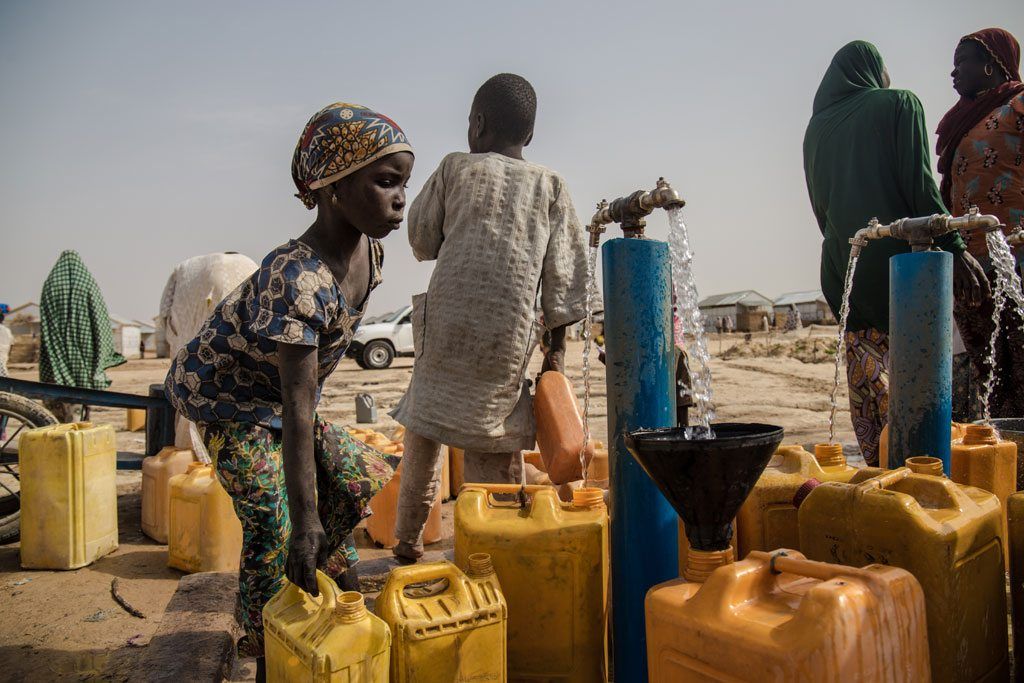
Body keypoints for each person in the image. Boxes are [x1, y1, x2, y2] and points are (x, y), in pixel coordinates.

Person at [164, 103, 413, 679]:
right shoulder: (295, 275)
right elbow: (299, 408)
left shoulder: (371, 255)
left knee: (342, 490)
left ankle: (349, 625)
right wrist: (304, 523)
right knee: (277, 526)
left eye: (404, 183)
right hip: (228, 399)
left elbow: (305, 394)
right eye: (385, 182)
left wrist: (317, 509)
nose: (401, 198)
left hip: (281, 400)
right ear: (332, 187)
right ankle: (267, 654)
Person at [391, 73, 589, 563]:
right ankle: (491, 552)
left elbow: (422, 239)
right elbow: (564, 278)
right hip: (504, 343)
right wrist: (556, 354)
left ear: (477, 124)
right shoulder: (551, 186)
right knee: (493, 434)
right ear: (530, 135)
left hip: (445, 339)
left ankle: (408, 541)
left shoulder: (455, 168)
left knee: (424, 431)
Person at [803, 41, 987, 466]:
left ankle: (883, 476)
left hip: (844, 271)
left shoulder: (815, 129)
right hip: (905, 268)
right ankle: (932, 475)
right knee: (928, 391)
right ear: (873, 70)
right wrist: (956, 247)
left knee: (875, 395)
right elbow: (920, 187)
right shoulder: (899, 103)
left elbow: (821, 213)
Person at [936, 28, 1024, 419]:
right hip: (971, 265)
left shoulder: (1018, 104)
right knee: (989, 373)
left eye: (962, 63)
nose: (953, 72)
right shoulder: (963, 120)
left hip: (1015, 255)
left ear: (991, 64)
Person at [39, 250, 126, 422]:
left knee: (57, 404)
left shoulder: (51, 285)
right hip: (84, 354)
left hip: (55, 355)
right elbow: (100, 320)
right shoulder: (86, 284)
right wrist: (103, 352)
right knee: (81, 396)